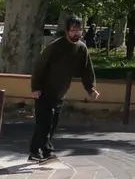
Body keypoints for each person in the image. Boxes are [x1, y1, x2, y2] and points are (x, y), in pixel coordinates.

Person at [30, 17, 98, 163]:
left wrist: (91, 89)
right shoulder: (55, 46)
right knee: (44, 123)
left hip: (60, 93)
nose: (76, 33)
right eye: (73, 30)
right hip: (44, 90)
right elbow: (39, 67)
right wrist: (35, 88)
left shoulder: (81, 48)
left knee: (52, 124)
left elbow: (87, 70)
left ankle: (40, 151)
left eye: (79, 30)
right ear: (67, 31)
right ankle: (41, 152)